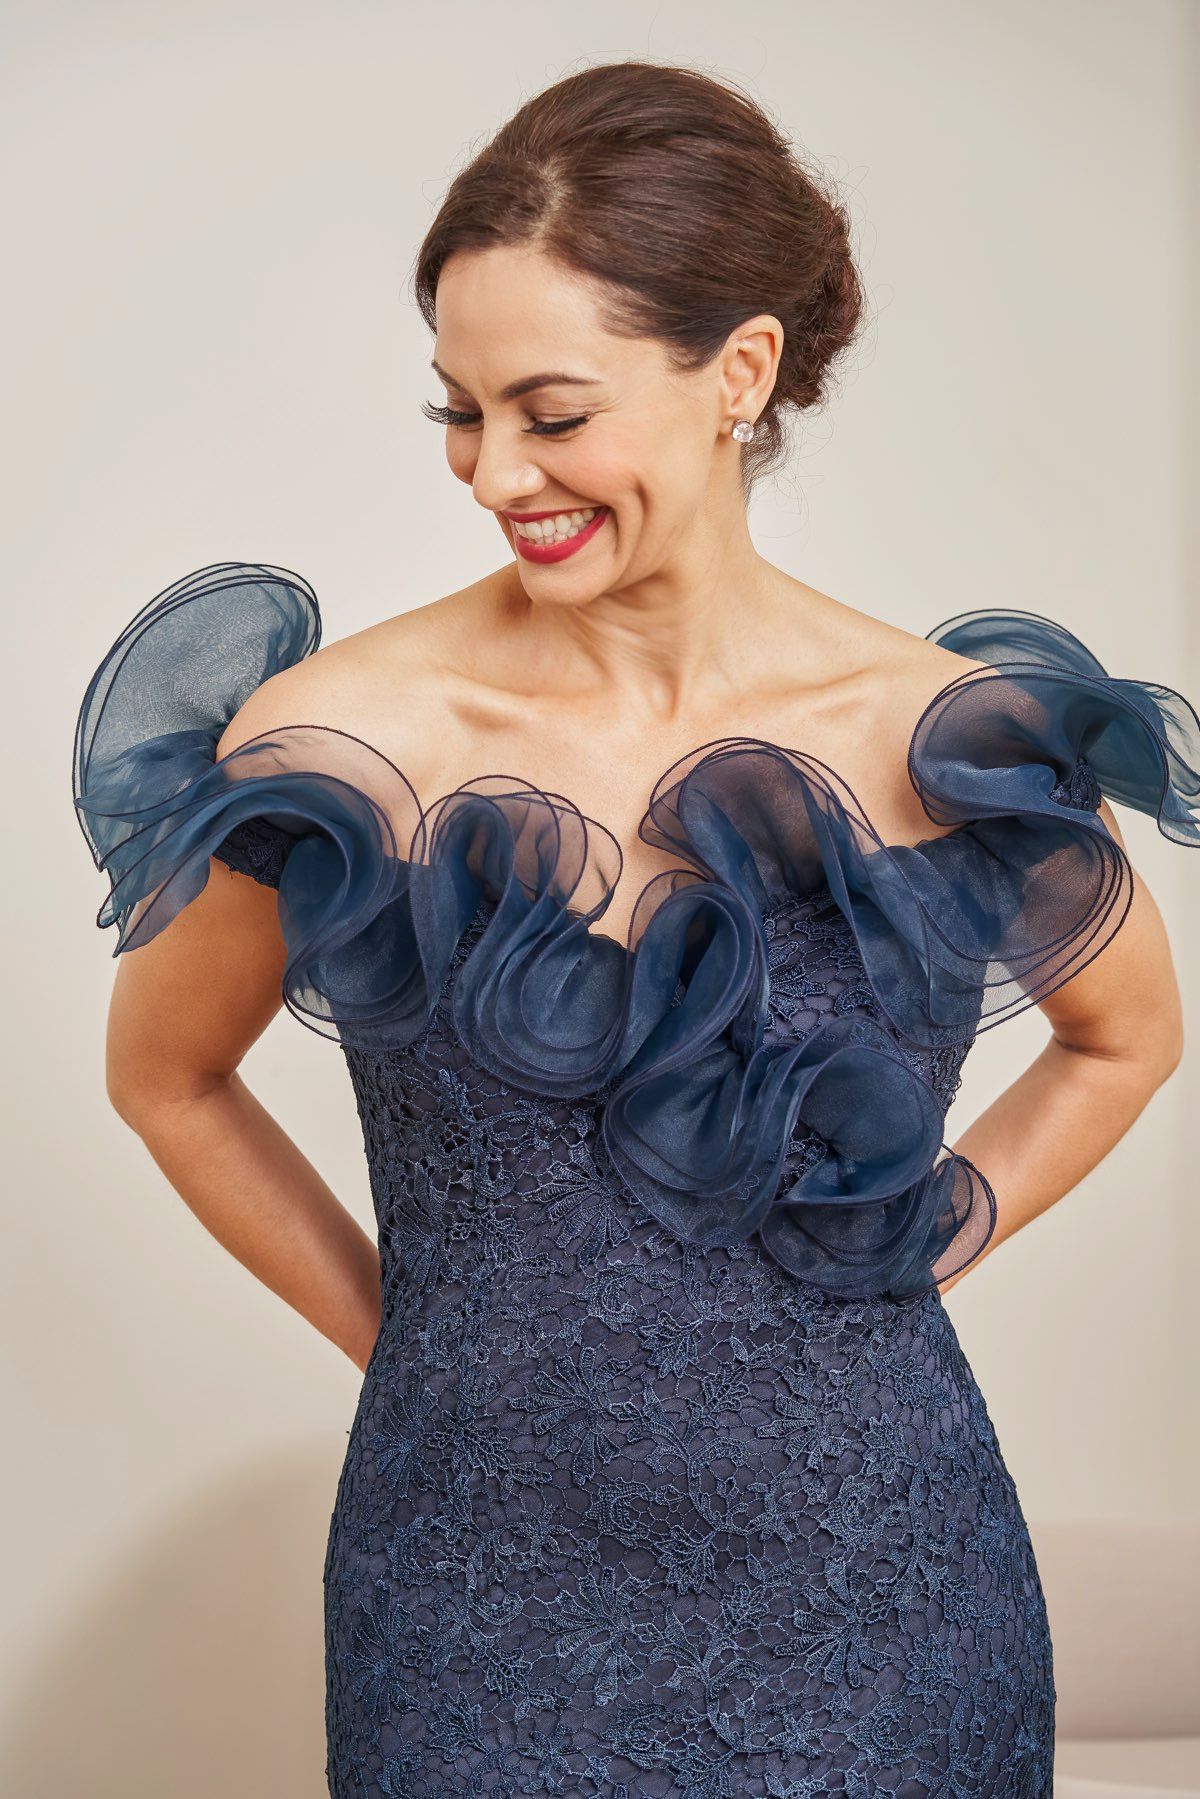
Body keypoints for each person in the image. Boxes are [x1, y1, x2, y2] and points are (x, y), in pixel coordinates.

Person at [72, 58, 1199, 1799]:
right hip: (472, 1604)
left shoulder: (947, 732)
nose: (491, 471)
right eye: (456, 409)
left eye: (550, 408)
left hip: (883, 1597)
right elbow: (167, 1078)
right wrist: (424, 1337)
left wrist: (918, 1248)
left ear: (740, 375)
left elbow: (1129, 1034)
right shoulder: (342, 742)